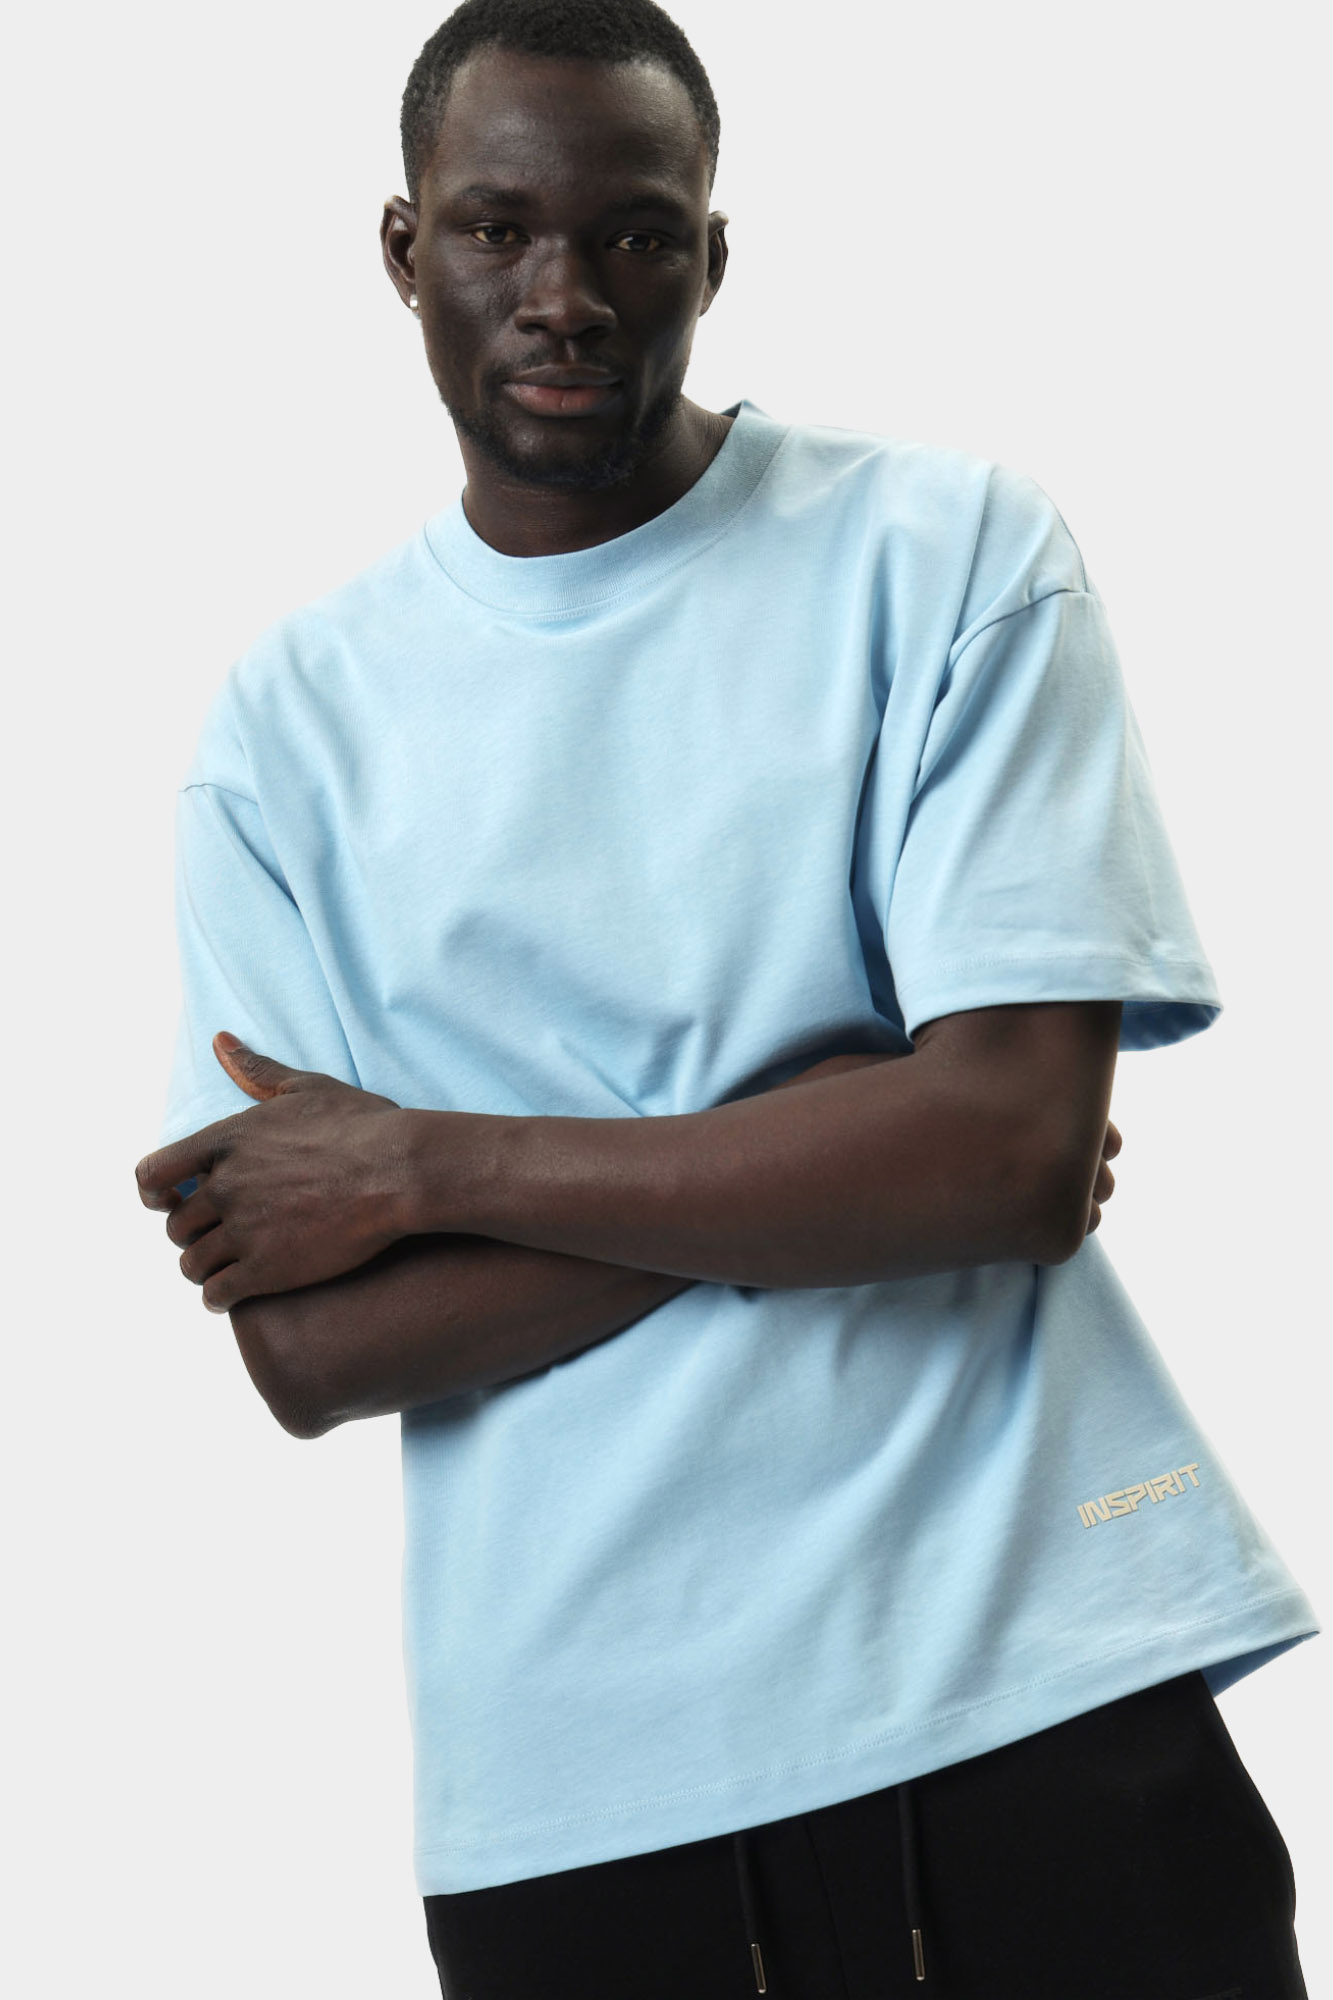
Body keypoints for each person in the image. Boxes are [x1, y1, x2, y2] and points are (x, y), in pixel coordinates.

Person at [134, 2, 1318, 1993]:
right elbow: (314, 1346)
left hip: (1031, 1686)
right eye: (498, 229)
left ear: (712, 253)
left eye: (634, 233)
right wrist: (840, 1137)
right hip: (577, 1794)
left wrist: (428, 1167)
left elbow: (1008, 1163)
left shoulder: (945, 556)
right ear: (403, 249)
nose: (566, 295)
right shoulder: (286, 733)